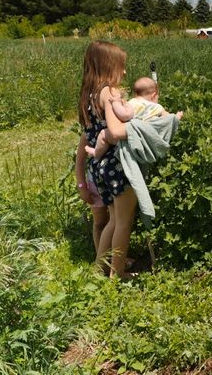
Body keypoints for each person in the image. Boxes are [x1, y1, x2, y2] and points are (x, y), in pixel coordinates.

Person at [78, 40, 138, 279]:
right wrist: (140, 127)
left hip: (99, 166)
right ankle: (117, 273)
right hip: (116, 163)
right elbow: (114, 132)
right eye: (121, 66)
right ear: (108, 65)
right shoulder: (109, 92)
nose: (124, 72)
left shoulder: (89, 95)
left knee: (113, 220)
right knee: (124, 222)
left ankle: (98, 269)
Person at [85, 76, 182, 158]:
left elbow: (122, 114)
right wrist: (177, 116)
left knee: (103, 134)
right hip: (143, 138)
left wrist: (116, 102)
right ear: (154, 95)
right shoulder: (156, 107)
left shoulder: (131, 103)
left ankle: (96, 152)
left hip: (126, 136)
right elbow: (168, 119)